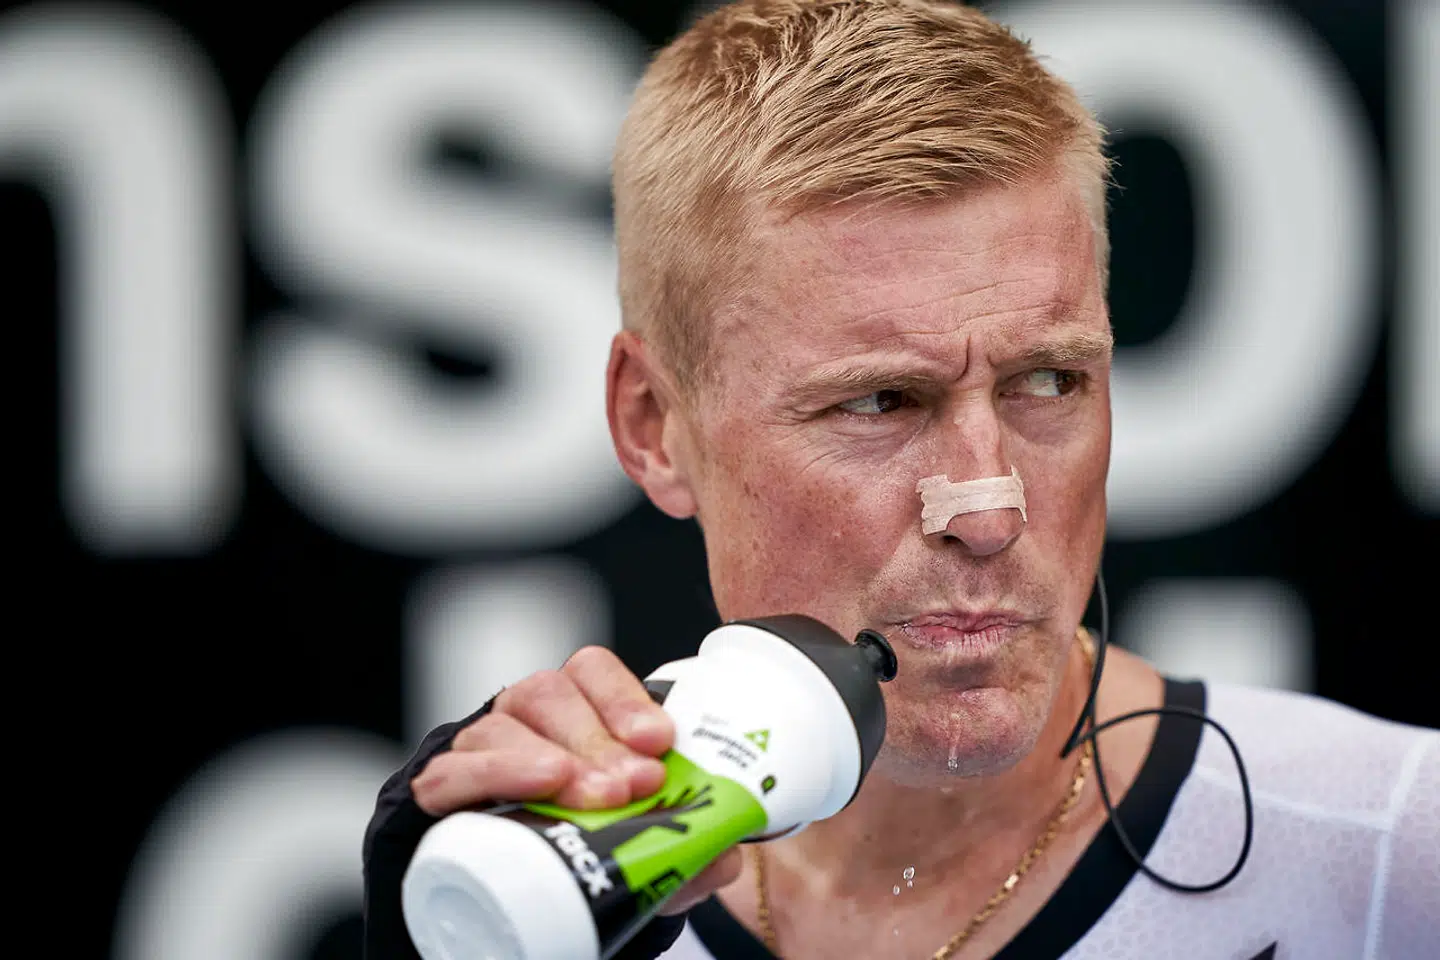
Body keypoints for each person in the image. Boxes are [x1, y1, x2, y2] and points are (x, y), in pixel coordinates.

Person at [362, 1, 1439, 957]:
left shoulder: (1392, 849)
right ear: (653, 426)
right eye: (880, 403)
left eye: (1050, 381)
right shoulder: (547, 893)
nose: (986, 509)